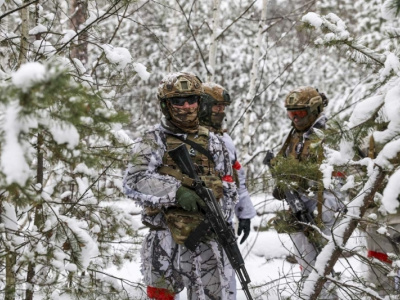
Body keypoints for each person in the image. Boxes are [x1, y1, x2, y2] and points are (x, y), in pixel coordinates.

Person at [123, 72, 238, 300]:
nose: (186, 106)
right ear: (167, 105)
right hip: (165, 237)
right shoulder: (152, 140)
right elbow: (134, 180)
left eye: (191, 100)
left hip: (207, 238)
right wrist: (176, 191)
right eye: (178, 101)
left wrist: (219, 209)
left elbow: (229, 186)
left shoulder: (215, 142)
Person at [267, 86, 343, 298]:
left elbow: (338, 175)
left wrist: (326, 209)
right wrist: (283, 185)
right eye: (291, 113)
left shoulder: (327, 134)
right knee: (306, 262)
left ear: (314, 109)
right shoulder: (296, 135)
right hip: (299, 205)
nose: (295, 119)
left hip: (322, 206)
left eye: (299, 113)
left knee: (321, 264)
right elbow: (288, 165)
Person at [199, 82, 257, 299]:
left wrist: (244, 214)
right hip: (195, 224)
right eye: (216, 106)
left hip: (223, 223)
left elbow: (236, 179)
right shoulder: (190, 138)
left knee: (226, 280)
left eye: (223, 107)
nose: (220, 111)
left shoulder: (225, 140)